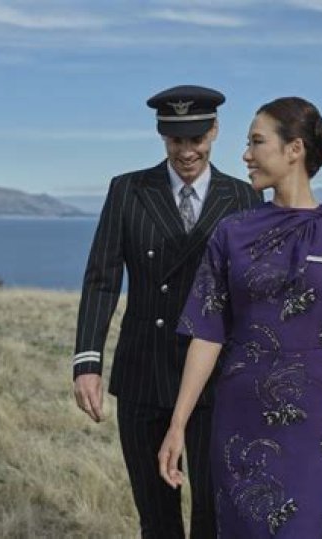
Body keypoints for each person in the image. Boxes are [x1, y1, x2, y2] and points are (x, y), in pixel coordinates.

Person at [158, 97, 322, 537]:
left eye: (257, 142)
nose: (246, 155)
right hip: (238, 413)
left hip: (313, 419)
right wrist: (178, 424)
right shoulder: (232, 232)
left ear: (294, 149)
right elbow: (207, 332)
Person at [72, 85, 261, 538]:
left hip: (217, 379)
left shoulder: (245, 199)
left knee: (213, 515)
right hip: (144, 373)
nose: (187, 151)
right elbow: (101, 279)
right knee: (156, 517)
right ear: (162, 136)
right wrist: (88, 363)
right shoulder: (128, 190)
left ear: (214, 132)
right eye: (176, 140)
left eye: (196, 139)